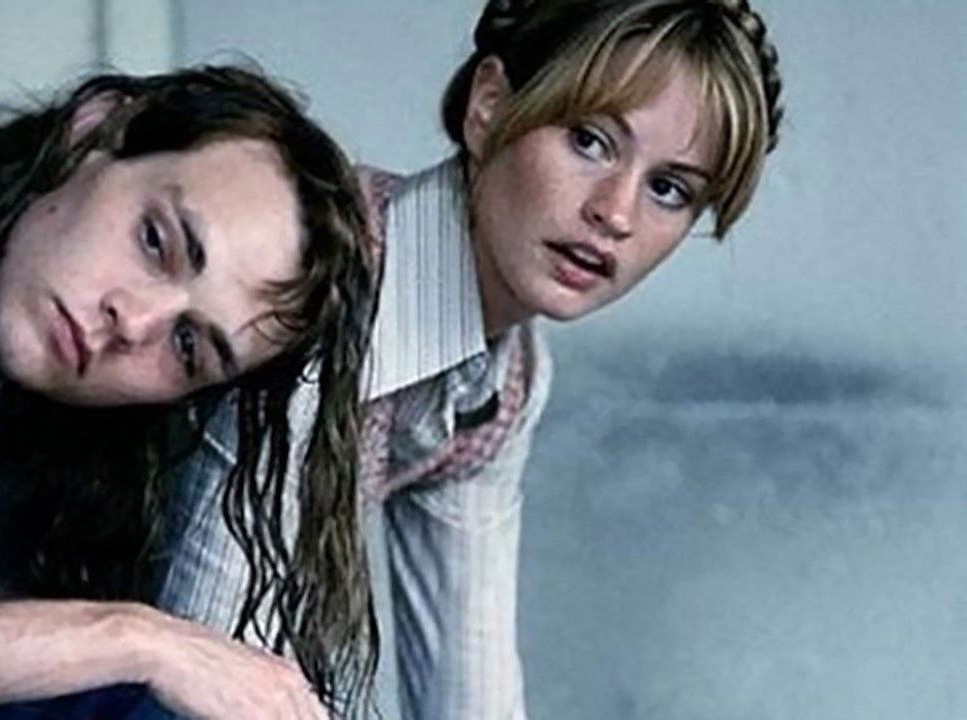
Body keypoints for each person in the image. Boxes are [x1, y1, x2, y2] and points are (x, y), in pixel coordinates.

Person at [152, 1, 786, 718]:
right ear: (489, 106)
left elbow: (469, 688)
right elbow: (206, 671)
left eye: (668, 189)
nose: (616, 213)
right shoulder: (320, 274)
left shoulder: (504, 380)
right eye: (589, 141)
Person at [0, 66, 376, 720]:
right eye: (156, 242)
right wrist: (138, 640)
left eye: (187, 345)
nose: (134, 322)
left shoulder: (75, 489)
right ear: (92, 129)